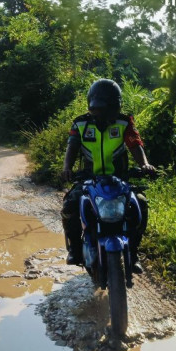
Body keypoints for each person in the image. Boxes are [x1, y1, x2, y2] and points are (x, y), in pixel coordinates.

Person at [61, 79, 156, 273]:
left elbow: (135, 144)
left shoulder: (124, 122)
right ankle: (75, 250)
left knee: (141, 204)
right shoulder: (80, 124)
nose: (101, 114)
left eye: (107, 109)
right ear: (91, 106)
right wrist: (67, 168)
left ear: (116, 107)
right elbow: (72, 147)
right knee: (70, 205)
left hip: (119, 179)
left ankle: (134, 252)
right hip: (89, 179)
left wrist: (144, 164)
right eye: (98, 109)